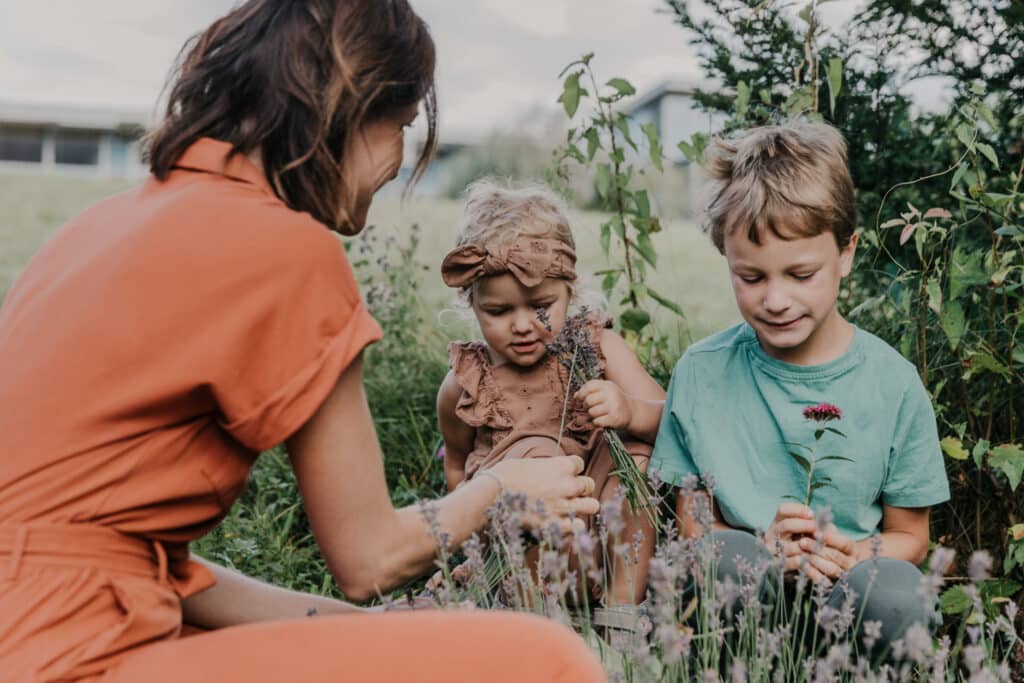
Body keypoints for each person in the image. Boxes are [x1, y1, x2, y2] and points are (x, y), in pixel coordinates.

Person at [0, 2, 606, 681]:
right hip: (68, 654)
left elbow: (153, 569)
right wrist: (500, 486)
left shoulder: (95, 231)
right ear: (354, 107)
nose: (401, 158)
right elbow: (369, 557)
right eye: (402, 125)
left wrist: (367, 635)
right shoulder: (285, 251)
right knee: (546, 660)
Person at [649, 121, 950, 651]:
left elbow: (912, 536)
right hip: (747, 603)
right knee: (720, 563)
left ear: (847, 253)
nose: (777, 299)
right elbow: (695, 527)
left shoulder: (893, 385)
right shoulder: (700, 373)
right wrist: (761, 550)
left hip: (852, 596)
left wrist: (860, 556)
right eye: (752, 277)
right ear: (727, 260)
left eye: (801, 274)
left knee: (898, 594)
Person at [436, 179, 665, 616]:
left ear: (569, 292)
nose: (523, 325)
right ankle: (529, 611)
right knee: (528, 460)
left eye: (540, 305)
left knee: (638, 461)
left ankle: (621, 614)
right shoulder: (466, 382)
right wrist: (469, 542)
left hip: (599, 523)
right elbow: (456, 463)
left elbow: (673, 421)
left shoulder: (596, 347)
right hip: (523, 537)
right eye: (499, 311)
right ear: (473, 303)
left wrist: (629, 409)